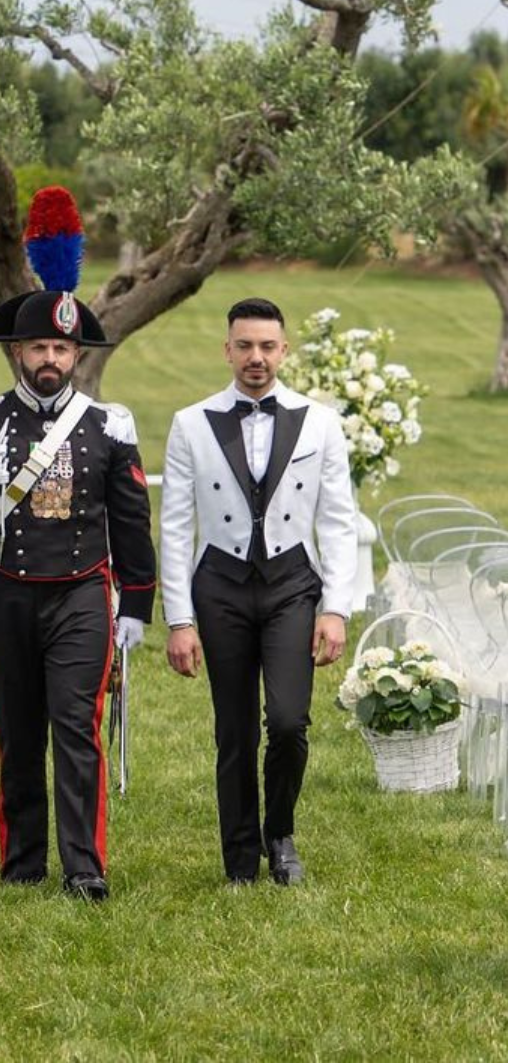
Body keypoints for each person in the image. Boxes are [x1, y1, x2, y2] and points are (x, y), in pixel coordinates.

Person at [0, 187, 155, 902]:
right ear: (17, 352)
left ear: (74, 352)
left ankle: (84, 866)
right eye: (38, 347)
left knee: (76, 733)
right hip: (1, 594)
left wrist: (137, 606)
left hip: (83, 593)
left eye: (62, 346)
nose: (50, 358)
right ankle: (22, 861)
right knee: (17, 736)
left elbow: (129, 523)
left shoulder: (109, 426)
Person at [160, 296, 357, 886]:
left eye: (267, 346)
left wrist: (336, 608)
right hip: (219, 585)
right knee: (235, 728)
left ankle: (281, 832)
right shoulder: (191, 423)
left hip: (292, 585)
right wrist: (178, 619)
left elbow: (339, 521)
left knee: (291, 722)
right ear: (227, 350)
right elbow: (174, 525)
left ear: (284, 350)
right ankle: (240, 855)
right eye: (244, 345)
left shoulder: (319, 422)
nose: (256, 357)